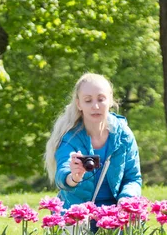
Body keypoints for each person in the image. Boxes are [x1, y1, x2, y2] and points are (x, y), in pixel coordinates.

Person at [45, 73, 142, 210]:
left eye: (101, 99)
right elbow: (62, 175)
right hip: (78, 213)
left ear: (110, 101)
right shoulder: (70, 137)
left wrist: (126, 200)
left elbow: (133, 178)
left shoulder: (124, 135)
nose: (95, 106)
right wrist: (74, 177)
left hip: (115, 212)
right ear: (79, 104)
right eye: (88, 100)